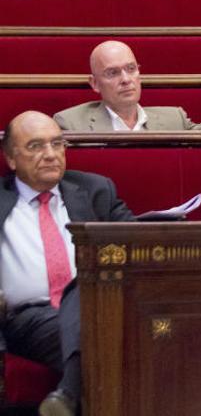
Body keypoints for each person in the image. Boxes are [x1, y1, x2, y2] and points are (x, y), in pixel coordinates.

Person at [1, 111, 135, 416]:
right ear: (11, 159)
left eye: (57, 144)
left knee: (93, 305)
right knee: (104, 334)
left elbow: (134, 244)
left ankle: (67, 395)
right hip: (31, 316)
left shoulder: (96, 190)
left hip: (100, 303)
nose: (50, 155)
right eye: (35, 146)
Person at [53, 20, 201, 130]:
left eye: (131, 69)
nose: (126, 79)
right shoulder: (70, 123)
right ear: (94, 83)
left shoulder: (175, 119)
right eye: (112, 73)